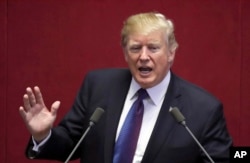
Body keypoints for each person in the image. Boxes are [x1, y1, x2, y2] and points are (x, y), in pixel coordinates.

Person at [19, 12, 232, 163]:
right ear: (125, 53)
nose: (144, 56)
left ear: (171, 53)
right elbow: (70, 145)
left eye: (154, 48)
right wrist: (43, 135)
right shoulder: (98, 86)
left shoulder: (204, 109)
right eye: (136, 48)